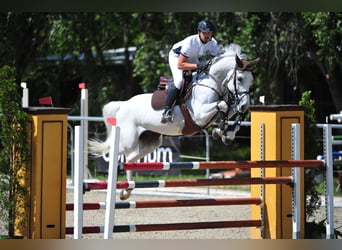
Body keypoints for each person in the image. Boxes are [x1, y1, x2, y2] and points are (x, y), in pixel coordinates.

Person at [161, 19, 219, 123]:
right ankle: (167, 110)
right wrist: (197, 66)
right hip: (177, 57)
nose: (207, 35)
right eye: (204, 33)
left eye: (209, 33)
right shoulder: (190, 42)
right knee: (179, 81)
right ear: (199, 32)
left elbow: (213, 62)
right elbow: (180, 64)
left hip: (192, 57)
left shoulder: (213, 43)